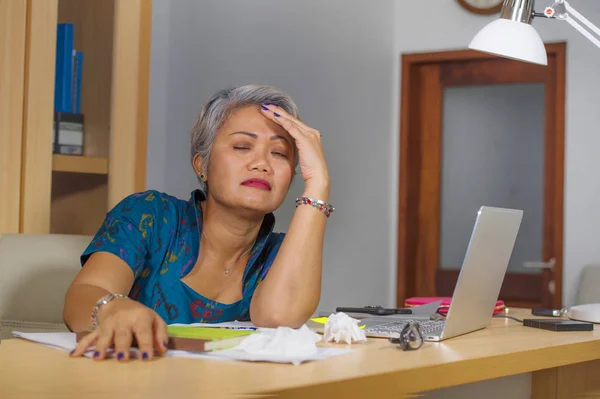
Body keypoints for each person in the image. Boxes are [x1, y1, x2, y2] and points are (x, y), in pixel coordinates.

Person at [64, 84, 332, 361]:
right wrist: (112, 308)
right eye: (242, 146)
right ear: (201, 165)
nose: (262, 163)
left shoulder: (279, 254)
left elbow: (279, 317)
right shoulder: (150, 216)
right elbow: (81, 296)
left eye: (279, 153)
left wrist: (319, 184)